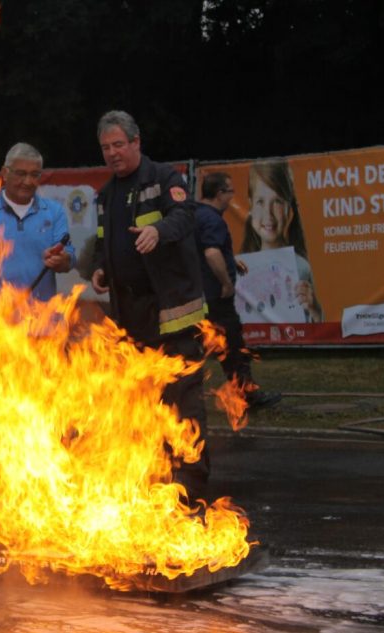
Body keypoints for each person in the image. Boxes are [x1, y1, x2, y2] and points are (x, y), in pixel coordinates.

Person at [89, 110, 209, 497]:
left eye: (119, 145)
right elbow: (107, 241)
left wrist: (158, 231)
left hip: (174, 316)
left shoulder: (164, 178)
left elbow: (186, 216)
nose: (112, 154)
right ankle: (155, 482)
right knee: (142, 401)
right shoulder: (106, 195)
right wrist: (101, 269)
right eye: (106, 147)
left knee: (181, 401)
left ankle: (190, 484)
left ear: (136, 142)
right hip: (132, 320)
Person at [195, 172, 282, 409]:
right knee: (233, 347)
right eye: (230, 191)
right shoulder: (212, 220)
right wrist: (226, 282)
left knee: (216, 348)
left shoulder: (195, 215)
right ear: (220, 194)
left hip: (200, 298)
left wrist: (231, 261)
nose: (233, 196)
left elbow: (207, 250)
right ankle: (247, 396)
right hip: (216, 298)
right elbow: (211, 253)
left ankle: (240, 393)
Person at [241, 160, 323, 322]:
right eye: (260, 202)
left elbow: (315, 327)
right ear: (250, 205)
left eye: (277, 201)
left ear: (289, 208)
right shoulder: (240, 268)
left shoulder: (301, 267)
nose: (268, 215)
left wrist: (315, 311)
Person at [0, 142, 74, 302]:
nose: (28, 181)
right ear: (5, 173)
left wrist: (62, 260)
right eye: (21, 174)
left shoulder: (54, 211)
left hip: (42, 319)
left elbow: (68, 259)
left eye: (35, 174)